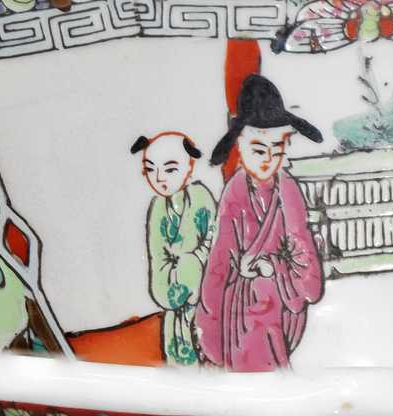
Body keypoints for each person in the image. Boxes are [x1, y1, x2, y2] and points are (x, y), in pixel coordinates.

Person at [197, 74, 326, 370]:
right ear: (240, 146)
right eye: (258, 149)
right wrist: (210, 324)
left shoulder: (288, 191)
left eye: (277, 149)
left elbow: (305, 259)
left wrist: (274, 268)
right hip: (240, 310)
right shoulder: (234, 193)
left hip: (279, 307)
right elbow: (220, 261)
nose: (268, 159)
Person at [131, 131, 217, 366]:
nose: (159, 178)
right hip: (174, 306)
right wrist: (182, 277)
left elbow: (213, 242)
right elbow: (157, 261)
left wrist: (188, 266)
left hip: (206, 301)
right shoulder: (157, 207)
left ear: (189, 167)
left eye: (170, 170)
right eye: (150, 169)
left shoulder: (201, 197)